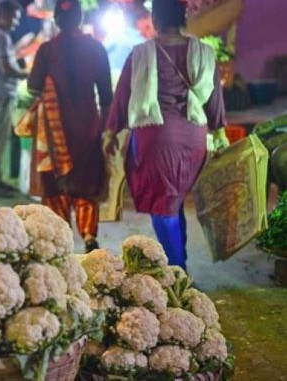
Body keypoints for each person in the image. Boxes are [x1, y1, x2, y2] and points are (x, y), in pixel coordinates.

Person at [105, 0, 227, 268]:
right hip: (194, 140)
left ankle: (177, 269)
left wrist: (111, 132)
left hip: (155, 140)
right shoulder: (204, 52)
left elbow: (122, 96)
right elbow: (215, 100)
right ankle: (178, 261)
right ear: (183, 18)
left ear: (156, 19)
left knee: (163, 205)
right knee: (175, 200)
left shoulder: (140, 53)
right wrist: (219, 132)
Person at [28, 0, 113, 252]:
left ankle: (61, 237)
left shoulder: (47, 50)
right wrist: (107, 130)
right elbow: (107, 96)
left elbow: (33, 87)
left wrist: (50, 87)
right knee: (86, 180)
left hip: (56, 130)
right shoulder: (97, 48)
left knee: (56, 182)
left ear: (55, 20)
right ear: (81, 19)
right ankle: (88, 235)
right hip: (88, 125)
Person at [0, 0, 29, 197]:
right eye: (15, 18)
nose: (16, 23)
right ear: (4, 14)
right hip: (2, 92)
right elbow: (5, 68)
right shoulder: (0, 37)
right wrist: (27, 74)